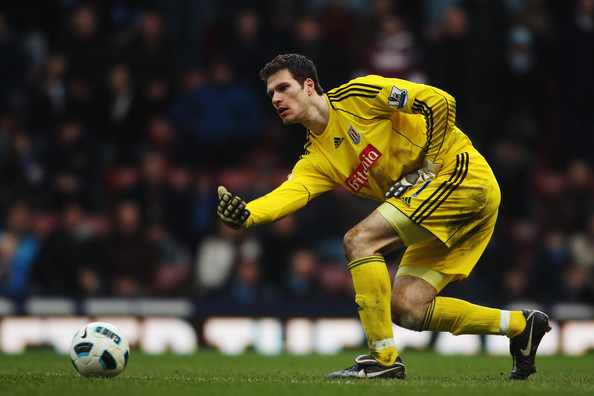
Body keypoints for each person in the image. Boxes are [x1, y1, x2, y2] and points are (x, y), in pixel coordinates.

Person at [215, 53, 551, 380]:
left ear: (308, 86)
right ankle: (521, 326)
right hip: (435, 205)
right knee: (407, 307)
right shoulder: (316, 157)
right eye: (271, 93)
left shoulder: (359, 95)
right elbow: (289, 195)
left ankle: (382, 359)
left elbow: (440, 101)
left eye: (282, 88)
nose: (275, 98)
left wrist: (430, 167)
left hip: (461, 178)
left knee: (359, 240)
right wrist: (247, 216)